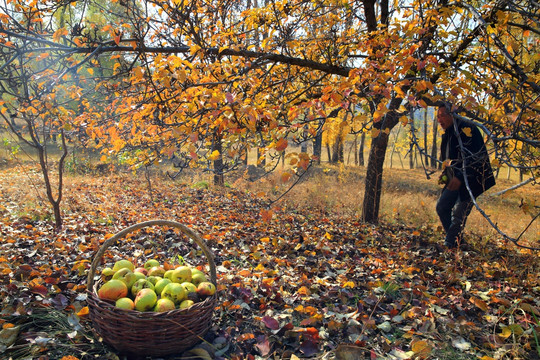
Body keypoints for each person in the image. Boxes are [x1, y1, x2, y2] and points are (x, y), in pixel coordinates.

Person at [436, 103, 496, 249]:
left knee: (458, 214)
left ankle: (449, 245)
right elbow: (449, 159)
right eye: (437, 116)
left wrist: (460, 177)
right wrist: (447, 174)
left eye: (442, 115)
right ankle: (459, 243)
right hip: (456, 178)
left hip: (473, 179)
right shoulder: (450, 132)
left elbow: (476, 158)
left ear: (453, 114)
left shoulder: (468, 129)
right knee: (442, 207)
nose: (439, 120)